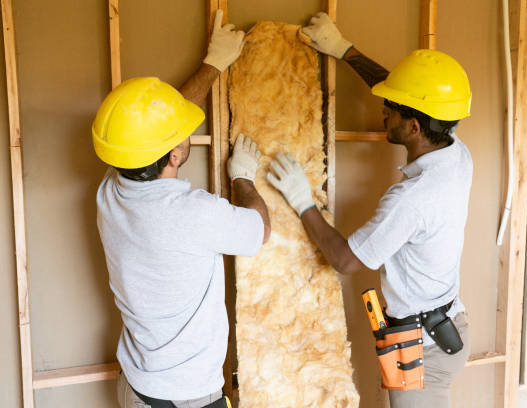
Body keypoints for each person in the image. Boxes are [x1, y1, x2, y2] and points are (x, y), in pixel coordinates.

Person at [267, 12, 473, 408]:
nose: (382, 110)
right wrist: (344, 50)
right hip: (438, 328)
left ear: (413, 127)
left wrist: (301, 201)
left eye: (391, 110)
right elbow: (415, 97)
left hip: (421, 351)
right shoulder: (454, 151)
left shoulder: (412, 199)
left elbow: (344, 259)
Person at [93, 10, 270, 408]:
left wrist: (213, 65)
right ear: (174, 153)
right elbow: (259, 231)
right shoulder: (193, 213)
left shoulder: (110, 193)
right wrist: (243, 178)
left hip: (136, 388)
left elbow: (145, 130)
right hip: (185, 399)